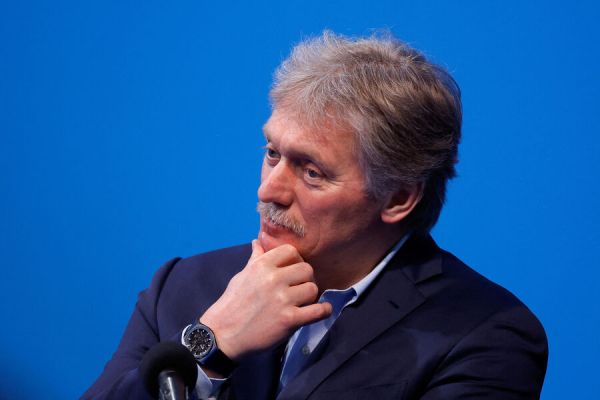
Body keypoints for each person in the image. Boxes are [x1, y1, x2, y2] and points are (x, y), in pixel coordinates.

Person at [83, 31, 548, 400]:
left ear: (397, 198)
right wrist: (211, 346)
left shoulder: (484, 335)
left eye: (312, 172)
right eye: (272, 153)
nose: (269, 190)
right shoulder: (183, 287)